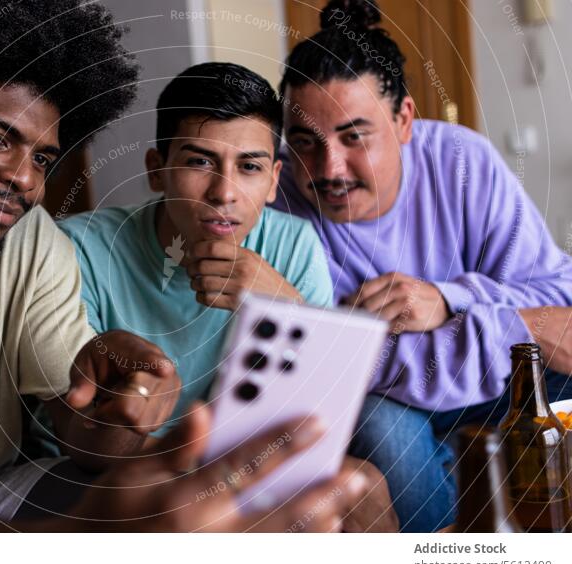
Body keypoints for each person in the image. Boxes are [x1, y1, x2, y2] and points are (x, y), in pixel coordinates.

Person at [0, 0, 372, 532]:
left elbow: (81, 432)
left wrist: (126, 402)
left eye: (43, 157)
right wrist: (60, 545)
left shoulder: (31, 241)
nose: (25, 178)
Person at [58, 62, 398, 532]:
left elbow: (321, 417)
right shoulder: (83, 248)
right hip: (116, 467)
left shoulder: (293, 243)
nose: (224, 193)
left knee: (363, 486)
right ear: (157, 172)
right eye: (199, 162)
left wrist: (285, 308)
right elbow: (83, 442)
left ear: (274, 180)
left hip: (240, 457)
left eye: (250, 167)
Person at [272, 0, 572, 532]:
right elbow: (338, 367)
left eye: (354, 136)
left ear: (404, 120)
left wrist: (449, 299)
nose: (329, 169)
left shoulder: (461, 160)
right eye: (305, 144)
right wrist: (511, 325)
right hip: (393, 403)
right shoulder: (277, 205)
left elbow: (559, 298)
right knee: (377, 425)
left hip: (498, 379)